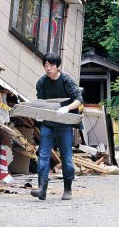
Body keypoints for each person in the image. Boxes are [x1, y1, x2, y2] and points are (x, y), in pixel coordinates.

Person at [30, 53, 83, 201]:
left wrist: (67, 108)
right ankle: (42, 189)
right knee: (43, 157)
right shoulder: (41, 82)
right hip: (48, 124)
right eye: (46, 65)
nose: (48, 68)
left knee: (66, 159)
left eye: (51, 65)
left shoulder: (66, 81)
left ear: (58, 66)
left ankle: (67, 189)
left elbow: (79, 99)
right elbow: (40, 101)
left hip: (64, 124)